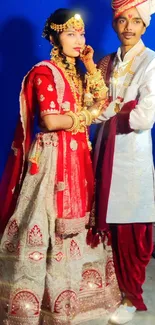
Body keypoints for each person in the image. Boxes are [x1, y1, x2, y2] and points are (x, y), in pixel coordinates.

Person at [0, 8, 121, 325]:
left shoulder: (78, 72)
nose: (79, 39)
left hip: (78, 156)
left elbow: (104, 102)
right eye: (70, 33)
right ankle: (34, 306)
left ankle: (73, 300)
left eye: (81, 33)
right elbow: (50, 121)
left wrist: (91, 65)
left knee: (76, 229)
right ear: (54, 37)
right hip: (54, 162)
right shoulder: (44, 72)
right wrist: (85, 118)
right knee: (47, 226)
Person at [89, 0, 155, 324]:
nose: (127, 27)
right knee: (110, 224)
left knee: (131, 226)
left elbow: (144, 117)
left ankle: (132, 297)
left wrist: (113, 110)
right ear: (115, 24)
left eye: (135, 21)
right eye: (122, 20)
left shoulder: (151, 62)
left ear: (145, 26)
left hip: (131, 157)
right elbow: (96, 107)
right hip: (105, 151)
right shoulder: (107, 63)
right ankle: (112, 289)